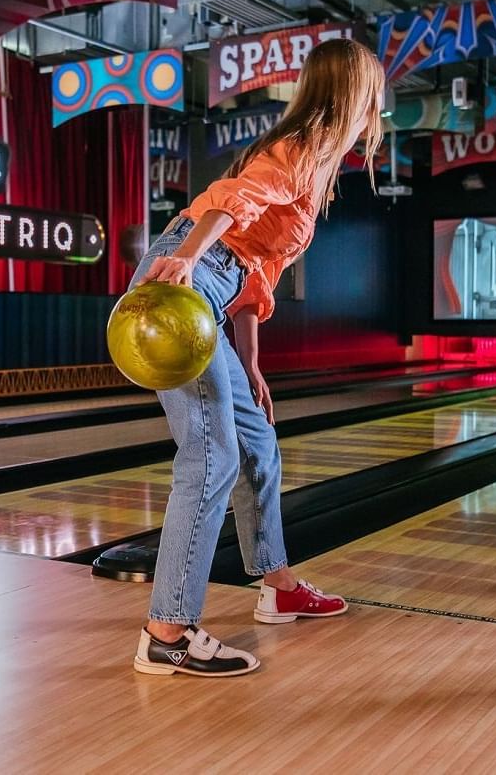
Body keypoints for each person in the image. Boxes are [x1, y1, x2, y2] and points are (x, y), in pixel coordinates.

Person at [131, 38, 386, 676]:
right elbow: (232, 199)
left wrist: (249, 362)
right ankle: (168, 633)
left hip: (213, 287)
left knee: (256, 443)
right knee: (211, 456)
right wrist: (188, 254)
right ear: (358, 94)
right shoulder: (306, 148)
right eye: (374, 95)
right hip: (187, 277)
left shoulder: (314, 158)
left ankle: (278, 586)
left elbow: (254, 275)